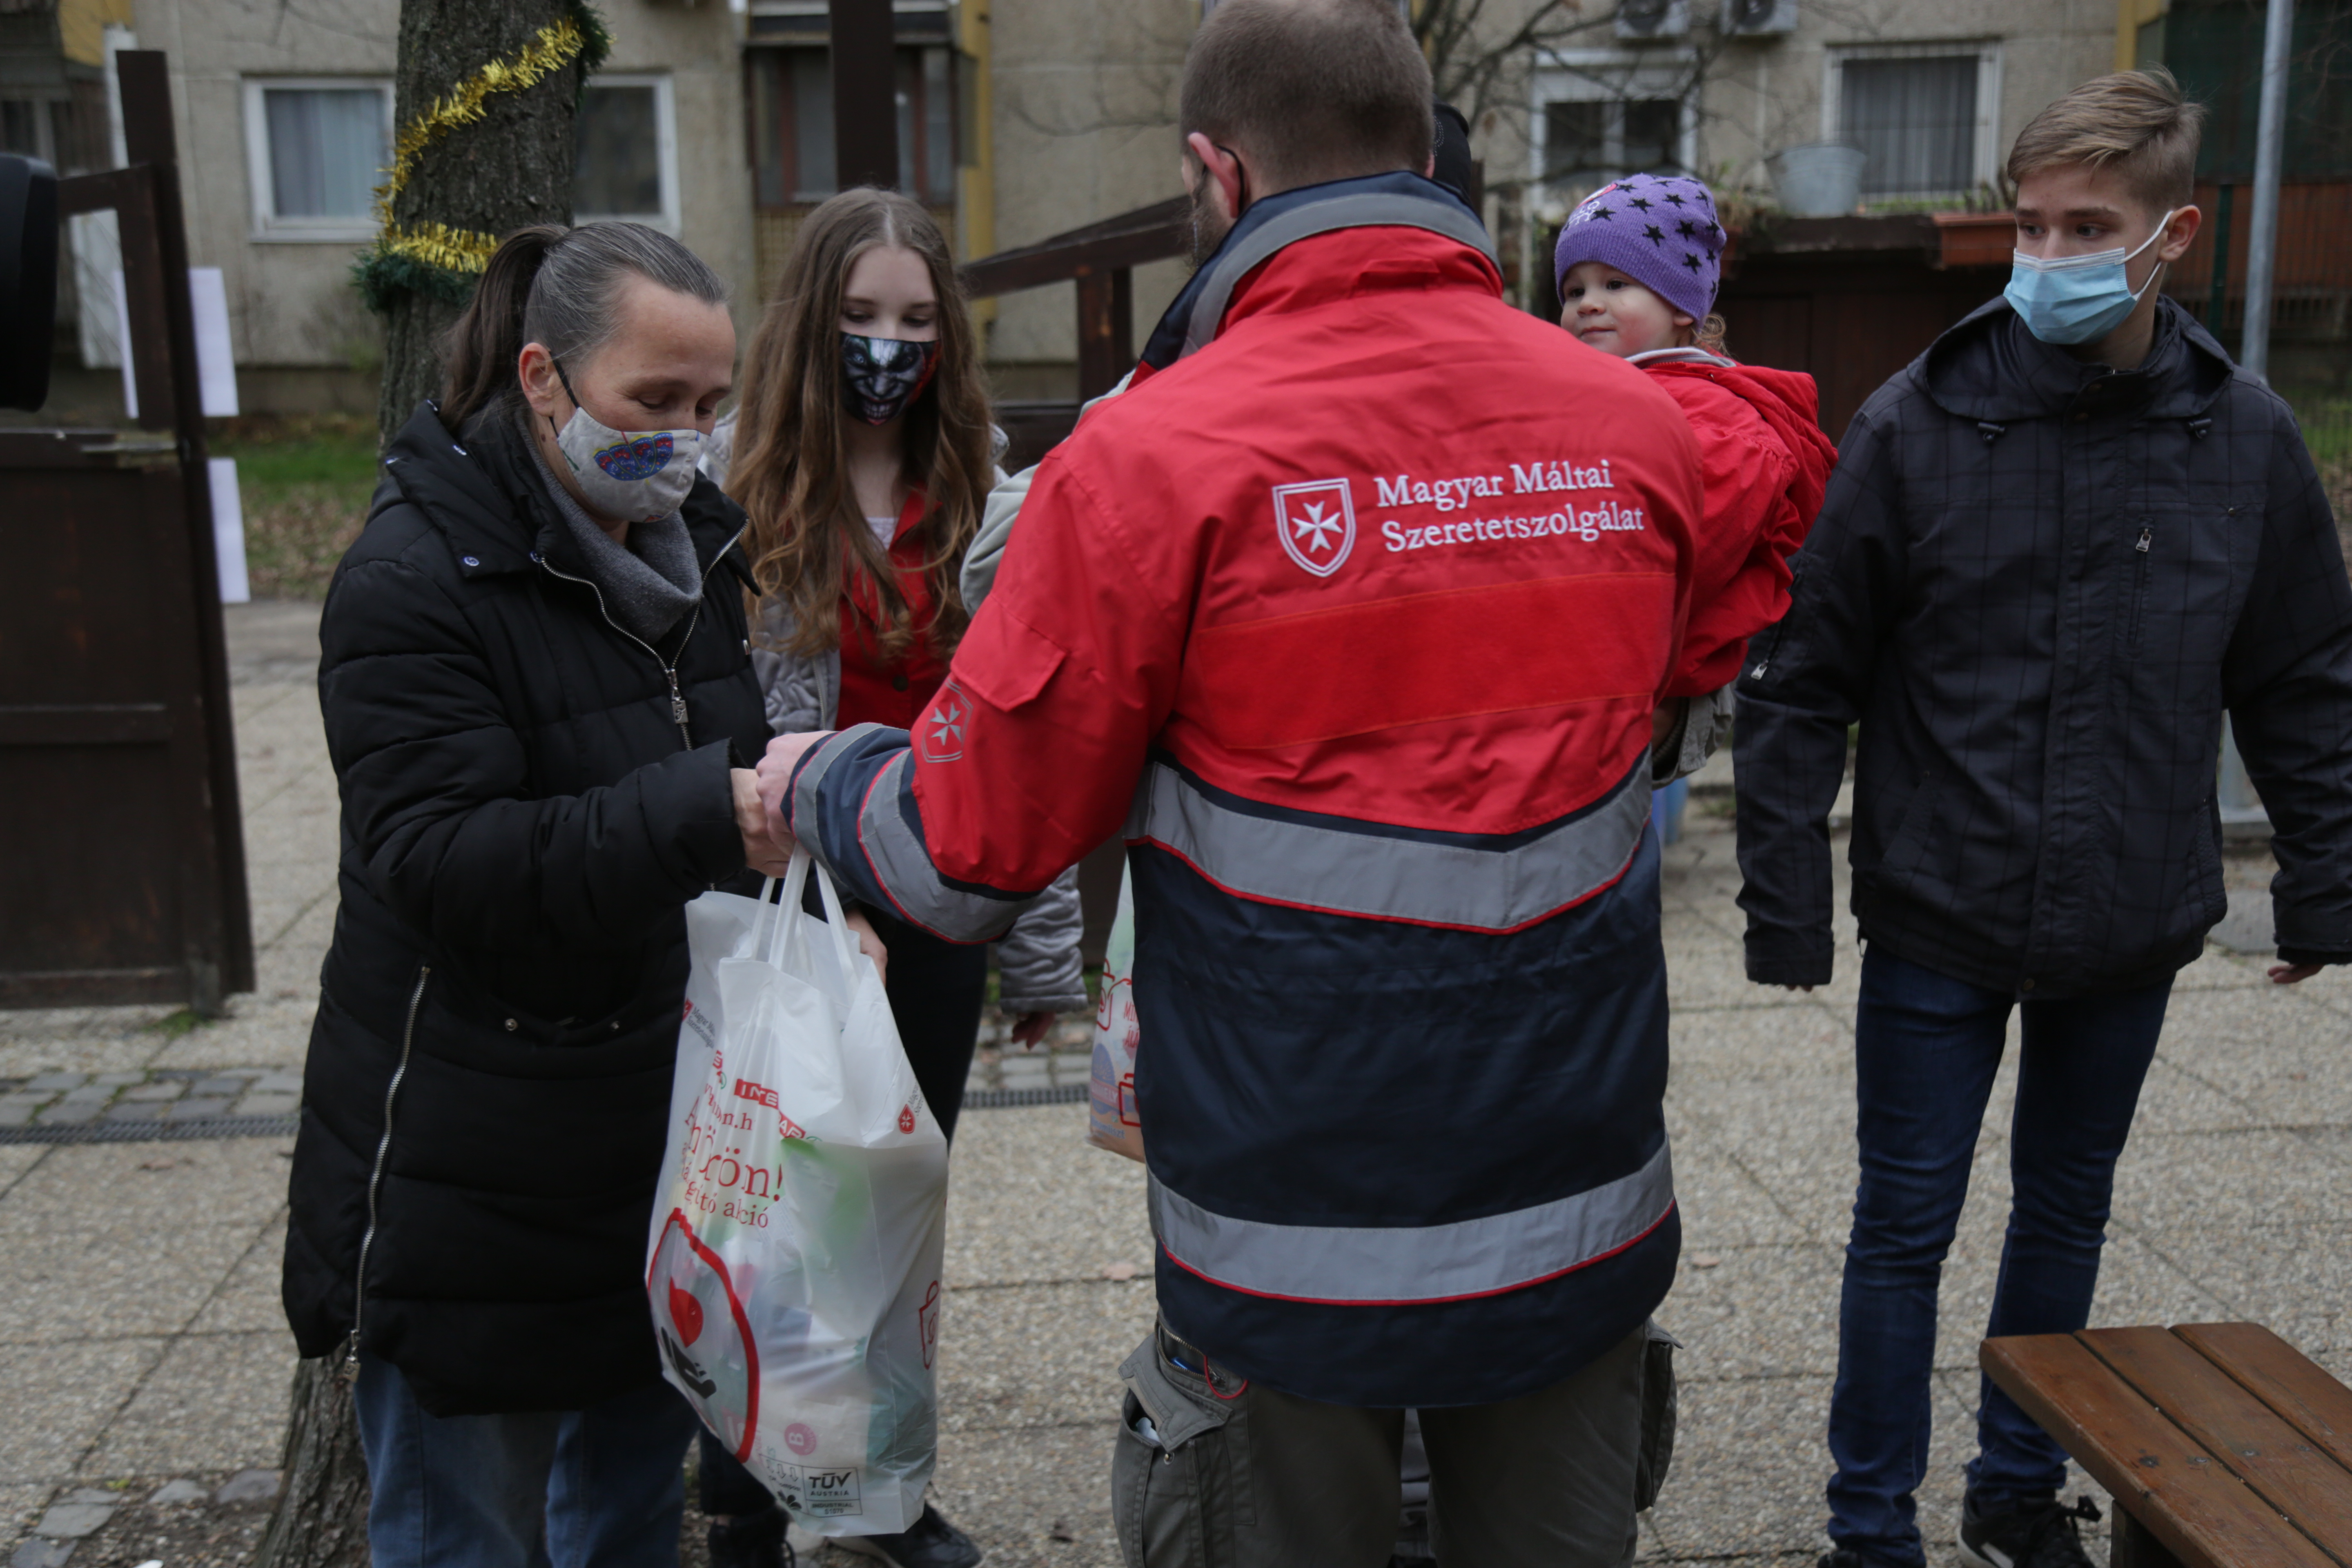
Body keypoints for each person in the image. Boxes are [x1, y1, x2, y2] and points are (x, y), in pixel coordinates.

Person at [758, 1, 1705, 1562]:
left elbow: (968, 853)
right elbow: (1658, 729)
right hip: (1575, 1193)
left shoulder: (1146, 462)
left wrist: (821, 775)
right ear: (1423, 156)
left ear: (1216, 171)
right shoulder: (1636, 428)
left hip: (1292, 1234)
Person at [1732, 68, 2352, 1568]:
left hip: (2130, 916)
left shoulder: (2243, 436)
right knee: (1900, 1233)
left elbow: (2304, 677)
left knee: (2065, 1216)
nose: (2054, 255)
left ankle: (2020, 1490)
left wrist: (2328, 888)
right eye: (2033, 223)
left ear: (2174, 234)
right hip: (1940, 911)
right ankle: (1866, 1529)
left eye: (2092, 226)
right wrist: (1786, 902)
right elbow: (1804, 674)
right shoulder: (1918, 421)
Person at [280, 221, 825, 1568]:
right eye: (654, 400)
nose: (688, 437)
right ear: (541, 379)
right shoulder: (415, 576)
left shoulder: (690, 544)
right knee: (470, 1529)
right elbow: (448, 863)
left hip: (654, 1145)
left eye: (710, 403)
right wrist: (713, 808)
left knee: (632, 1518)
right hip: (476, 1160)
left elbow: (717, 773)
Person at [689, 187, 1086, 1568]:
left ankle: (878, 1493)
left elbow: (1018, 727)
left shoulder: (980, 478)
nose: (888, 343)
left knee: (894, 1223)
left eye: (917, 319)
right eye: (860, 316)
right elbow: (716, 727)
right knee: (779, 1216)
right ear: (810, 320)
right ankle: (745, 1500)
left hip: (932, 921)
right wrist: (815, 897)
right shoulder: (727, 488)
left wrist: (1036, 961)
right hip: (791, 912)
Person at [1552, 171, 1838, 780]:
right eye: (1573, 291)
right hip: (1610, 672)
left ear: (1683, 306)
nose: (1588, 305)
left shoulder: (1719, 420)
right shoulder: (1604, 398)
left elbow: (1685, 556)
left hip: (1661, 683)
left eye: (1616, 283)